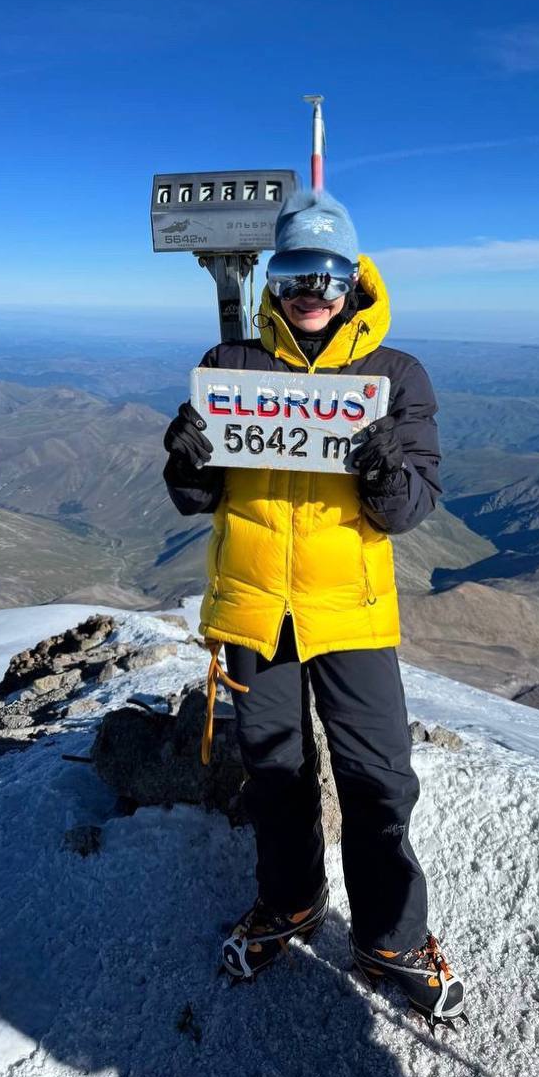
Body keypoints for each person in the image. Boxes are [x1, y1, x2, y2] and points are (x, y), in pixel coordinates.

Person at [162, 188, 464, 1028]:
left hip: (353, 612)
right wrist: (185, 458)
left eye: (329, 276)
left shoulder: (394, 376)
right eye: (296, 272)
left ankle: (391, 939)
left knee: (378, 778)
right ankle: (289, 902)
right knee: (275, 773)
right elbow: (196, 497)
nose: (313, 294)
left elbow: (410, 507)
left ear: (355, 280)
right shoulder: (231, 365)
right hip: (256, 612)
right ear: (274, 278)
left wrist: (381, 471)